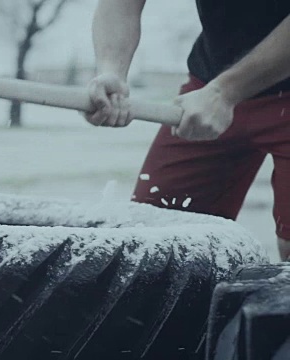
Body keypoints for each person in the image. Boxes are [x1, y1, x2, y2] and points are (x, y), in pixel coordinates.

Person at [85, 0, 290, 261]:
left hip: (224, 89)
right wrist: (111, 70)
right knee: (157, 242)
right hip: (207, 89)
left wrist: (224, 91)